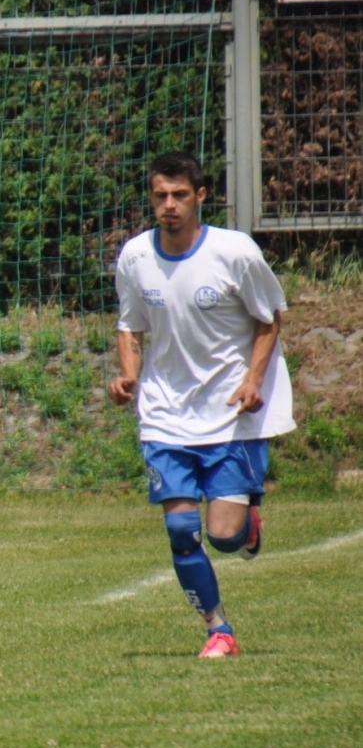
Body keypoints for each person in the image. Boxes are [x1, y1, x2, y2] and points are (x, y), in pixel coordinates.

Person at [109, 152, 295, 658]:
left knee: (224, 536)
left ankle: (246, 525)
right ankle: (219, 629)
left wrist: (254, 380)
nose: (168, 206)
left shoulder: (235, 253)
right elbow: (130, 323)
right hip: (166, 414)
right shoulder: (135, 256)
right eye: (159, 196)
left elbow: (269, 318)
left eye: (179, 195)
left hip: (231, 417)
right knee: (180, 528)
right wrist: (128, 373)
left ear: (201, 197)